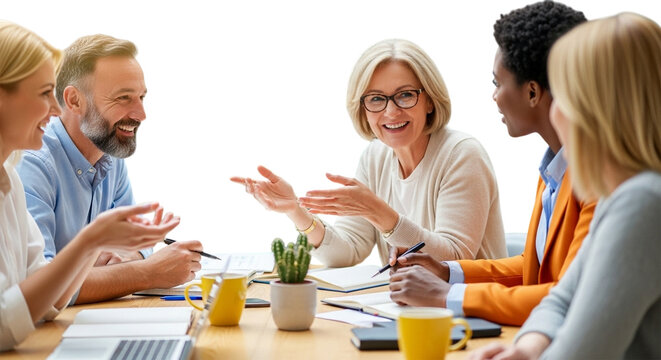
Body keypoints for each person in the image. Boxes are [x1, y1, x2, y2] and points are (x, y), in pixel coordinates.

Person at [388, 1, 595, 326]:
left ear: (531, 92)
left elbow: (567, 296)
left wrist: (446, 296)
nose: (494, 96)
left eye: (498, 83)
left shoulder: (598, 179)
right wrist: (446, 272)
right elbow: (534, 266)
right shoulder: (554, 169)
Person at [471, 12, 661, 359]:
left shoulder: (643, 203)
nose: (554, 113)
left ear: (600, 108)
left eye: (564, 96)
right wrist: (527, 350)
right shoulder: (621, 194)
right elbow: (561, 299)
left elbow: (580, 352)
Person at [231, 39, 506, 267]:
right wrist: (295, 211)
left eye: (406, 95)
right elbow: (347, 251)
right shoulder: (375, 157)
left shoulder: (461, 154)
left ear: (430, 100)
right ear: (362, 108)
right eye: (376, 99)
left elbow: (454, 258)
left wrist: (381, 213)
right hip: (410, 308)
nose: (391, 111)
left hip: (473, 313)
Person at [0, 20, 180, 351]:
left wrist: (104, 248)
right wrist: (99, 247)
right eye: (44, 94)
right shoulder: (31, 164)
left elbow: (49, 300)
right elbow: (13, 315)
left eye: (140, 97)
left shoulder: (9, 177)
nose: (54, 110)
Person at [15, 34, 202, 304]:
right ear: (74, 101)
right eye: (124, 98)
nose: (141, 114)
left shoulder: (110, 156)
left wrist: (131, 259)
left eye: (141, 97)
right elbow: (41, 287)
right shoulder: (33, 163)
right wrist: (146, 273)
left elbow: (134, 243)